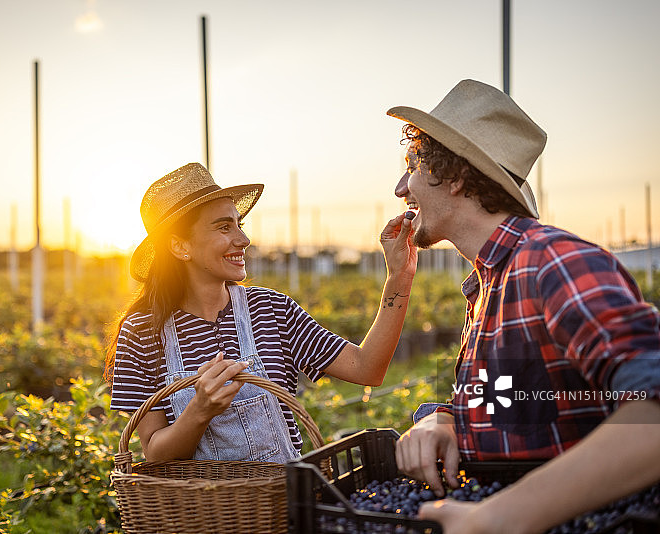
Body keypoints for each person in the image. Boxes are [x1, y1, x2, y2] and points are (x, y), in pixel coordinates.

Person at [386, 79, 660, 534]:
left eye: (412, 167)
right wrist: (446, 418)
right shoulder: (487, 285)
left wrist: (499, 516)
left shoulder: (554, 262)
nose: (401, 187)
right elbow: (516, 403)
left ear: (454, 177)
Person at [104, 162, 417, 463]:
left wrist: (399, 275)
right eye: (224, 227)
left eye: (239, 224)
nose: (243, 240)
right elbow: (154, 452)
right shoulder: (141, 333)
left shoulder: (272, 309)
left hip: (281, 496)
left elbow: (367, 368)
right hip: (199, 502)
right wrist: (199, 411)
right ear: (180, 246)